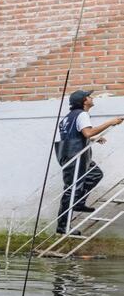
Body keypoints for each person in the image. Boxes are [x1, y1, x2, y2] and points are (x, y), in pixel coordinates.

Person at [55, 89, 123, 234]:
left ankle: (79, 203)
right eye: (89, 96)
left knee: (95, 174)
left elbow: (74, 135)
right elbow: (88, 132)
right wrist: (111, 122)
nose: (92, 98)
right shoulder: (82, 114)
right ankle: (62, 226)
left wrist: (92, 139)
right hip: (76, 154)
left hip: (69, 152)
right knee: (72, 188)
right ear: (84, 100)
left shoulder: (69, 117)